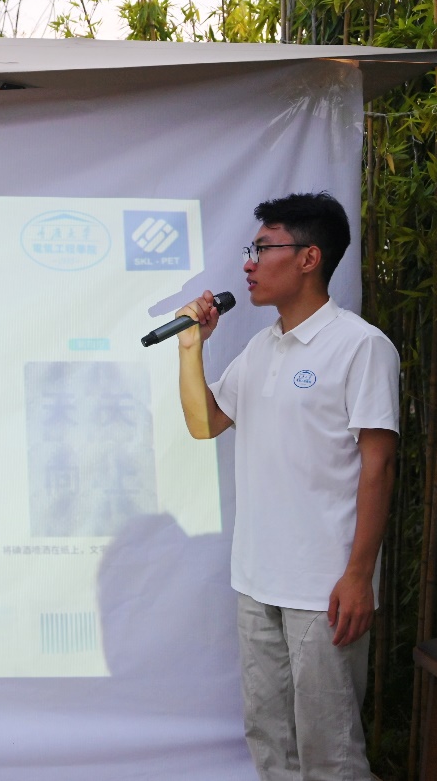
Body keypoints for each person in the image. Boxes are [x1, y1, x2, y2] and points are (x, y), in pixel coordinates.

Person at [175, 192, 398, 781]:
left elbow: (379, 467)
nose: (249, 264)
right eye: (251, 250)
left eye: (262, 249)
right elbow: (204, 424)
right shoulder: (261, 347)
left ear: (308, 258)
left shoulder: (361, 346)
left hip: (324, 587)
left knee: (330, 750)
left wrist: (359, 576)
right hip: (257, 578)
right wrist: (192, 347)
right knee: (269, 739)